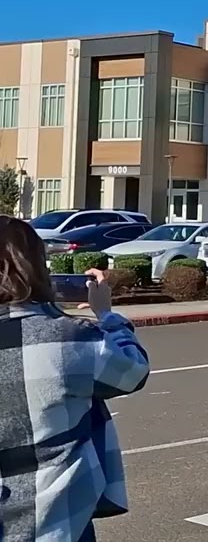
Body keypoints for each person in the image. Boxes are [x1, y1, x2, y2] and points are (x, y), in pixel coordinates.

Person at [0, 216, 151, 541]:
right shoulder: (67, 338)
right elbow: (133, 370)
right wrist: (107, 314)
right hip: (59, 524)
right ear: (35, 267)